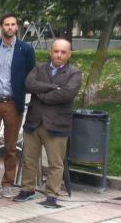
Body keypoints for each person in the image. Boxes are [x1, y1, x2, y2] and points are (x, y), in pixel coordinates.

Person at [14, 39, 82, 208]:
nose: (59, 55)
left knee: (55, 163)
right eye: (56, 51)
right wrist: (53, 87)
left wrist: (41, 93)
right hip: (34, 122)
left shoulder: (74, 73)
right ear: (51, 51)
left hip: (57, 124)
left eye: (63, 52)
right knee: (28, 160)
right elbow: (29, 84)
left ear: (69, 54)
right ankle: (27, 190)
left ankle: (52, 195)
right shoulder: (38, 68)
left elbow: (66, 94)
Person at [0, 13, 36, 195]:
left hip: (13, 103)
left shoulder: (26, 49)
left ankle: (7, 182)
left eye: (13, 24)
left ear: (17, 27)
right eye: (7, 24)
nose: (10, 27)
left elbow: (30, 75)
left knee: (11, 147)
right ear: (1, 27)